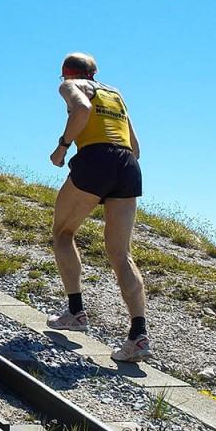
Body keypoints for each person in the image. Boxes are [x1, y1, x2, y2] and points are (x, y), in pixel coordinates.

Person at [46, 52, 150, 363]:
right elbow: (136, 147)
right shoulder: (115, 93)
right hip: (128, 165)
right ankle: (138, 335)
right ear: (95, 72)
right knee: (120, 253)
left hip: (96, 159)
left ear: (67, 73)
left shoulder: (70, 85)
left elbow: (81, 109)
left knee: (63, 232)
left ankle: (75, 312)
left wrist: (62, 147)